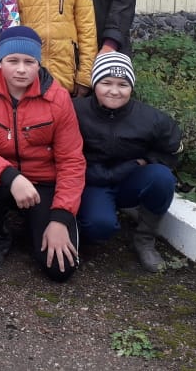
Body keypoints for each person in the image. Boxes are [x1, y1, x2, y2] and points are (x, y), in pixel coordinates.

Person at [0, 27, 85, 282]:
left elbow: (71, 160)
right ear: (0, 61)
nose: (21, 69)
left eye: (29, 62)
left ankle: (37, 226)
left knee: (60, 271)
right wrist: (12, 177)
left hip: (42, 183)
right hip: (1, 180)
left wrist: (60, 218)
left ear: (38, 64)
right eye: (12, 61)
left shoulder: (58, 98)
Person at [74, 52, 182, 272]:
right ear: (95, 83)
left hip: (128, 178)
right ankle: (89, 216)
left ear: (131, 86)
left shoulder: (152, 119)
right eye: (106, 83)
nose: (114, 91)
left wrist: (144, 161)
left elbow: (172, 150)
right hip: (91, 182)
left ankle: (145, 238)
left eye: (123, 84)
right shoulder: (75, 111)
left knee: (162, 177)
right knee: (99, 229)